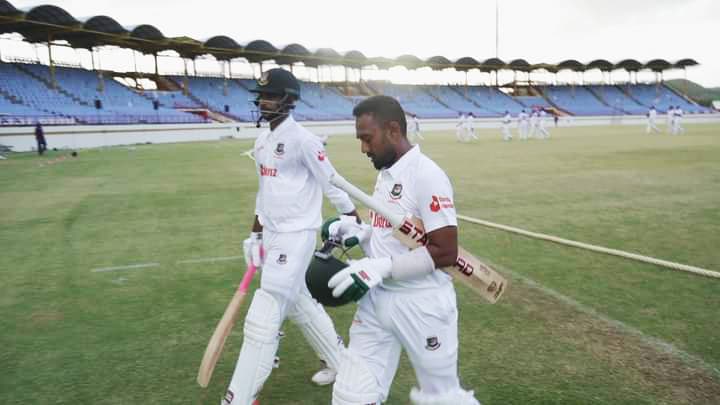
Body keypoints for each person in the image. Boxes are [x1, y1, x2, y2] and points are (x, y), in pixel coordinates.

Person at [327, 95, 480, 404]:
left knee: (442, 398)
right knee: (350, 395)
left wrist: (385, 267)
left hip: (422, 305)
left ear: (393, 130)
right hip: (376, 300)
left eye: (367, 139)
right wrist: (360, 233)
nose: (363, 148)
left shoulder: (427, 175)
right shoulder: (386, 174)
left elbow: (445, 251)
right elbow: (391, 233)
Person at [223, 68, 359, 405]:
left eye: (271, 96)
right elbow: (264, 192)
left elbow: (332, 180)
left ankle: (239, 397)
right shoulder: (261, 141)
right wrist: (254, 236)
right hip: (271, 234)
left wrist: (351, 218)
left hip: (297, 235)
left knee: (265, 310)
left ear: (289, 100)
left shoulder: (303, 140)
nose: (264, 102)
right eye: (262, 95)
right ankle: (341, 364)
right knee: (299, 303)